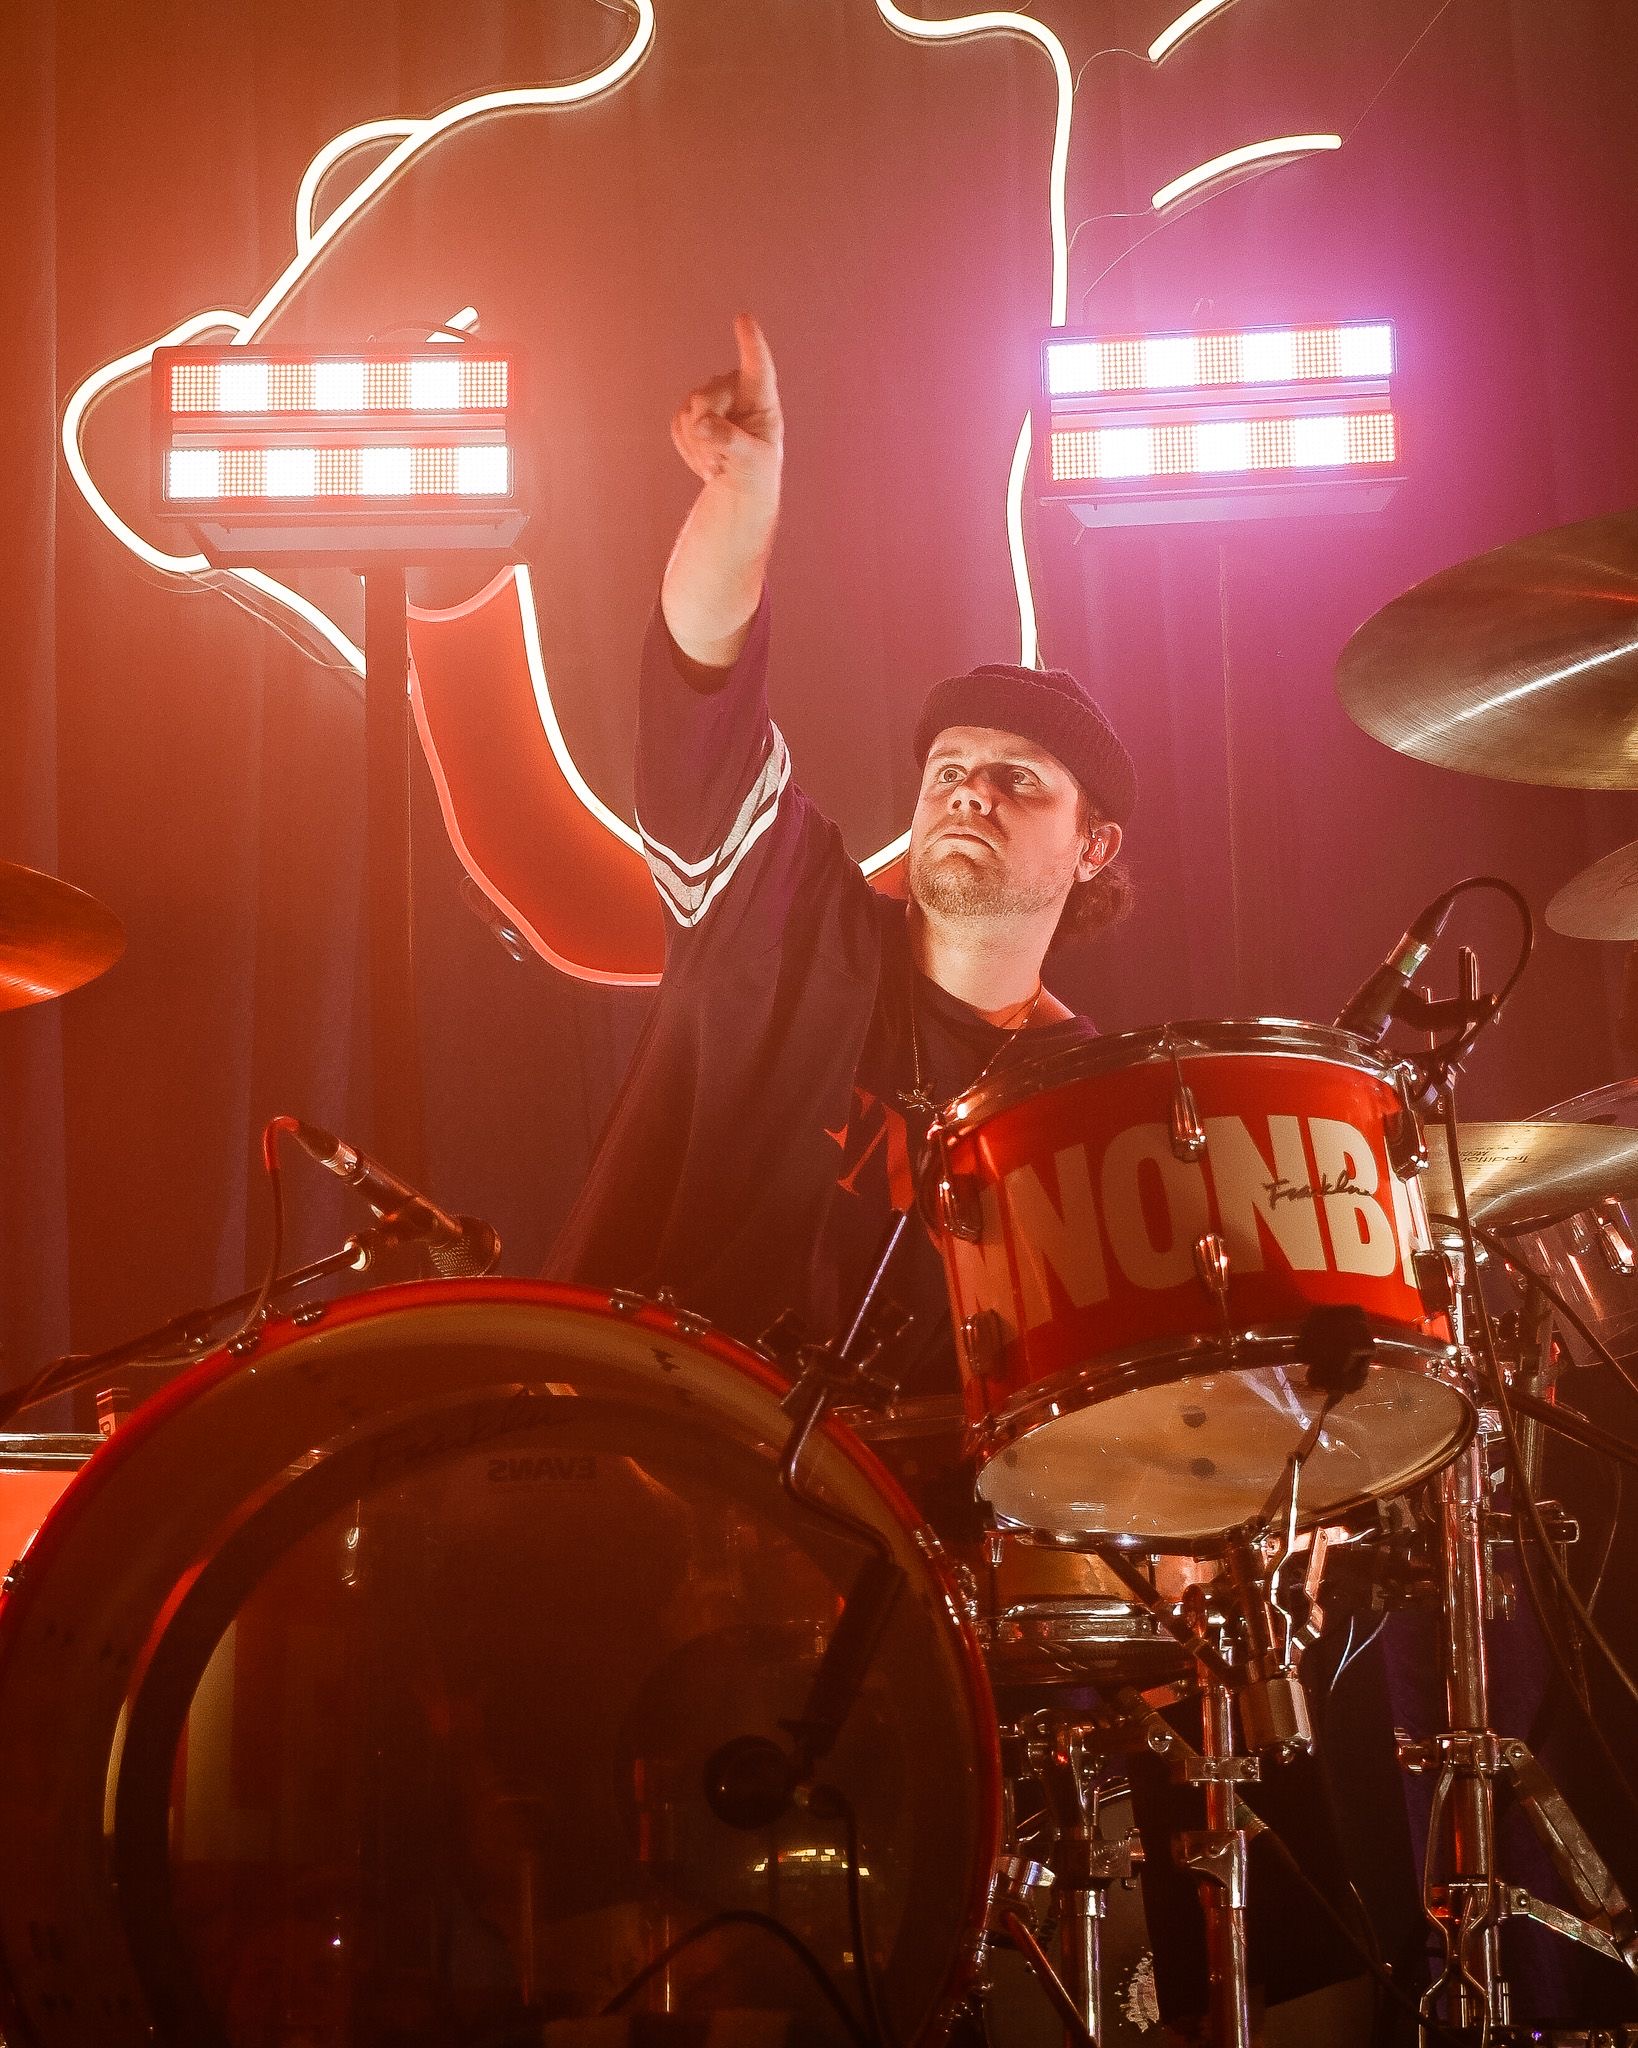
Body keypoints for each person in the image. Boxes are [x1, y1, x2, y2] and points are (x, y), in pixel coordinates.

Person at [547, 313, 1135, 1395]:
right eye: (950, 768)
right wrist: (740, 508)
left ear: (1094, 847)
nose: (970, 790)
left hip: (905, 1494)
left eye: (1019, 779)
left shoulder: (1094, 1101)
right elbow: (703, 682)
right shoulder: (787, 920)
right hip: (650, 1429)